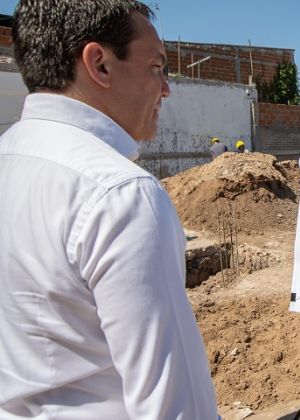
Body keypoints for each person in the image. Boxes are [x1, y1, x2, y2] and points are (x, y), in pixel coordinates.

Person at [0, 1, 218, 418]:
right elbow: (173, 408)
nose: (166, 88)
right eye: (157, 66)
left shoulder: (9, 157)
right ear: (99, 64)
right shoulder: (120, 195)